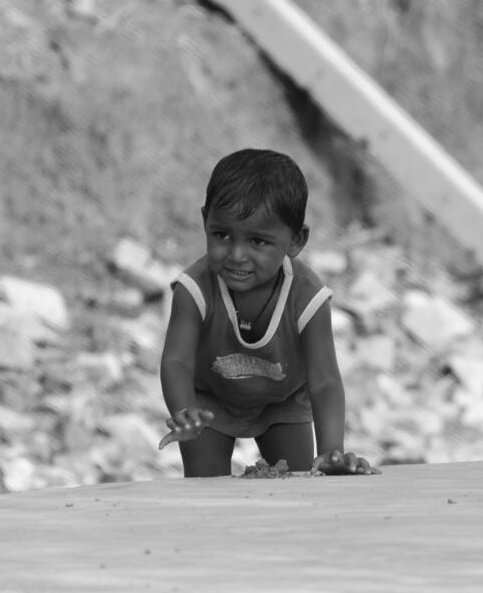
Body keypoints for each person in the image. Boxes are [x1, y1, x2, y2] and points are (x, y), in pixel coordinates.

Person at [159, 148, 380, 478]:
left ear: (295, 241)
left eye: (258, 242)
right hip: (209, 403)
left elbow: (324, 380)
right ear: (204, 221)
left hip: (283, 405)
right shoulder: (194, 289)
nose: (236, 254)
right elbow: (176, 361)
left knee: (301, 482)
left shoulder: (306, 296)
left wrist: (332, 449)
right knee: (205, 490)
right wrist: (183, 410)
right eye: (221, 235)